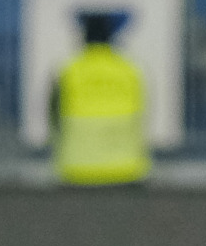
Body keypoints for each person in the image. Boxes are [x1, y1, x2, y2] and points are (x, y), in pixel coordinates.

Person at [50, 11, 150, 186]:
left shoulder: (69, 70)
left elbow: (53, 116)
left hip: (76, 170)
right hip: (126, 169)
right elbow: (143, 114)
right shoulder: (129, 70)